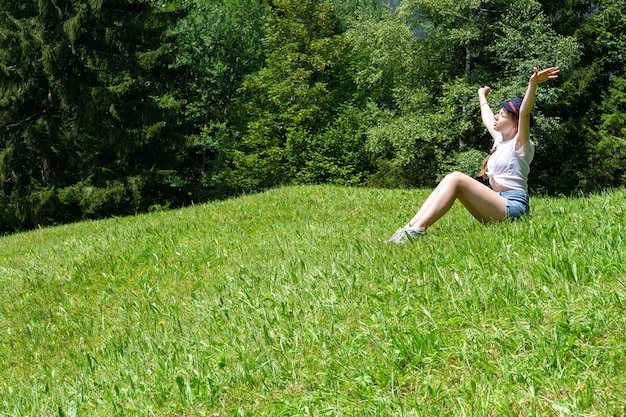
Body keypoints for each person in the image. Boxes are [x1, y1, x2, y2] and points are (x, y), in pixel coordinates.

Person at [388, 66, 560, 244]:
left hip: (513, 208)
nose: (495, 117)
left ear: (515, 124)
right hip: (498, 203)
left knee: (456, 179)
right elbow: (486, 117)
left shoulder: (521, 145)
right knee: (450, 179)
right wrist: (482, 96)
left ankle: (418, 229)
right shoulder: (500, 140)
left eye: (501, 115)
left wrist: (532, 85)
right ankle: (409, 228)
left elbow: (524, 113)